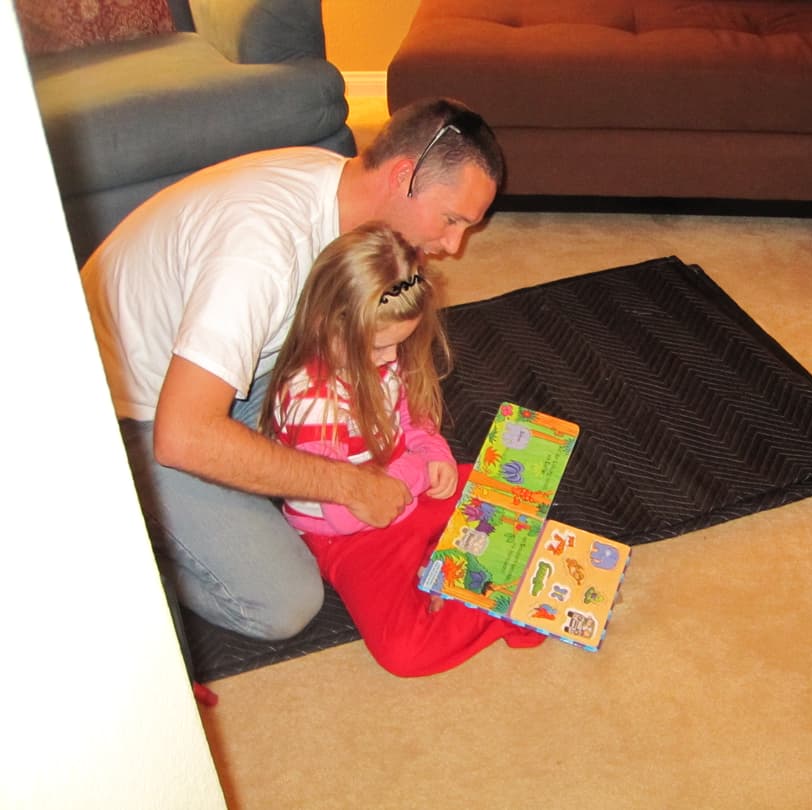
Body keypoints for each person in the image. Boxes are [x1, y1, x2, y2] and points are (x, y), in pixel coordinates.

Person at [80, 98, 504, 641]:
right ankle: (124, 528)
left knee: (376, 416)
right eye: (451, 221)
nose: (452, 246)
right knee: (284, 602)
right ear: (404, 176)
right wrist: (346, 484)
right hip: (130, 414)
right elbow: (182, 435)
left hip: (237, 370)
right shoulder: (260, 254)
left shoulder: (344, 195)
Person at [261, 222, 543, 676]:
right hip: (352, 534)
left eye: (399, 343)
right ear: (327, 324)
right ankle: (496, 602)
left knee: (514, 477)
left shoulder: (380, 353)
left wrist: (435, 454)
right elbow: (350, 512)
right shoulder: (314, 403)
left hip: (408, 492)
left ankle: (462, 570)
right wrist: (415, 470)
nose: (391, 360)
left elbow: (413, 417)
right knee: (405, 653)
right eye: (380, 347)